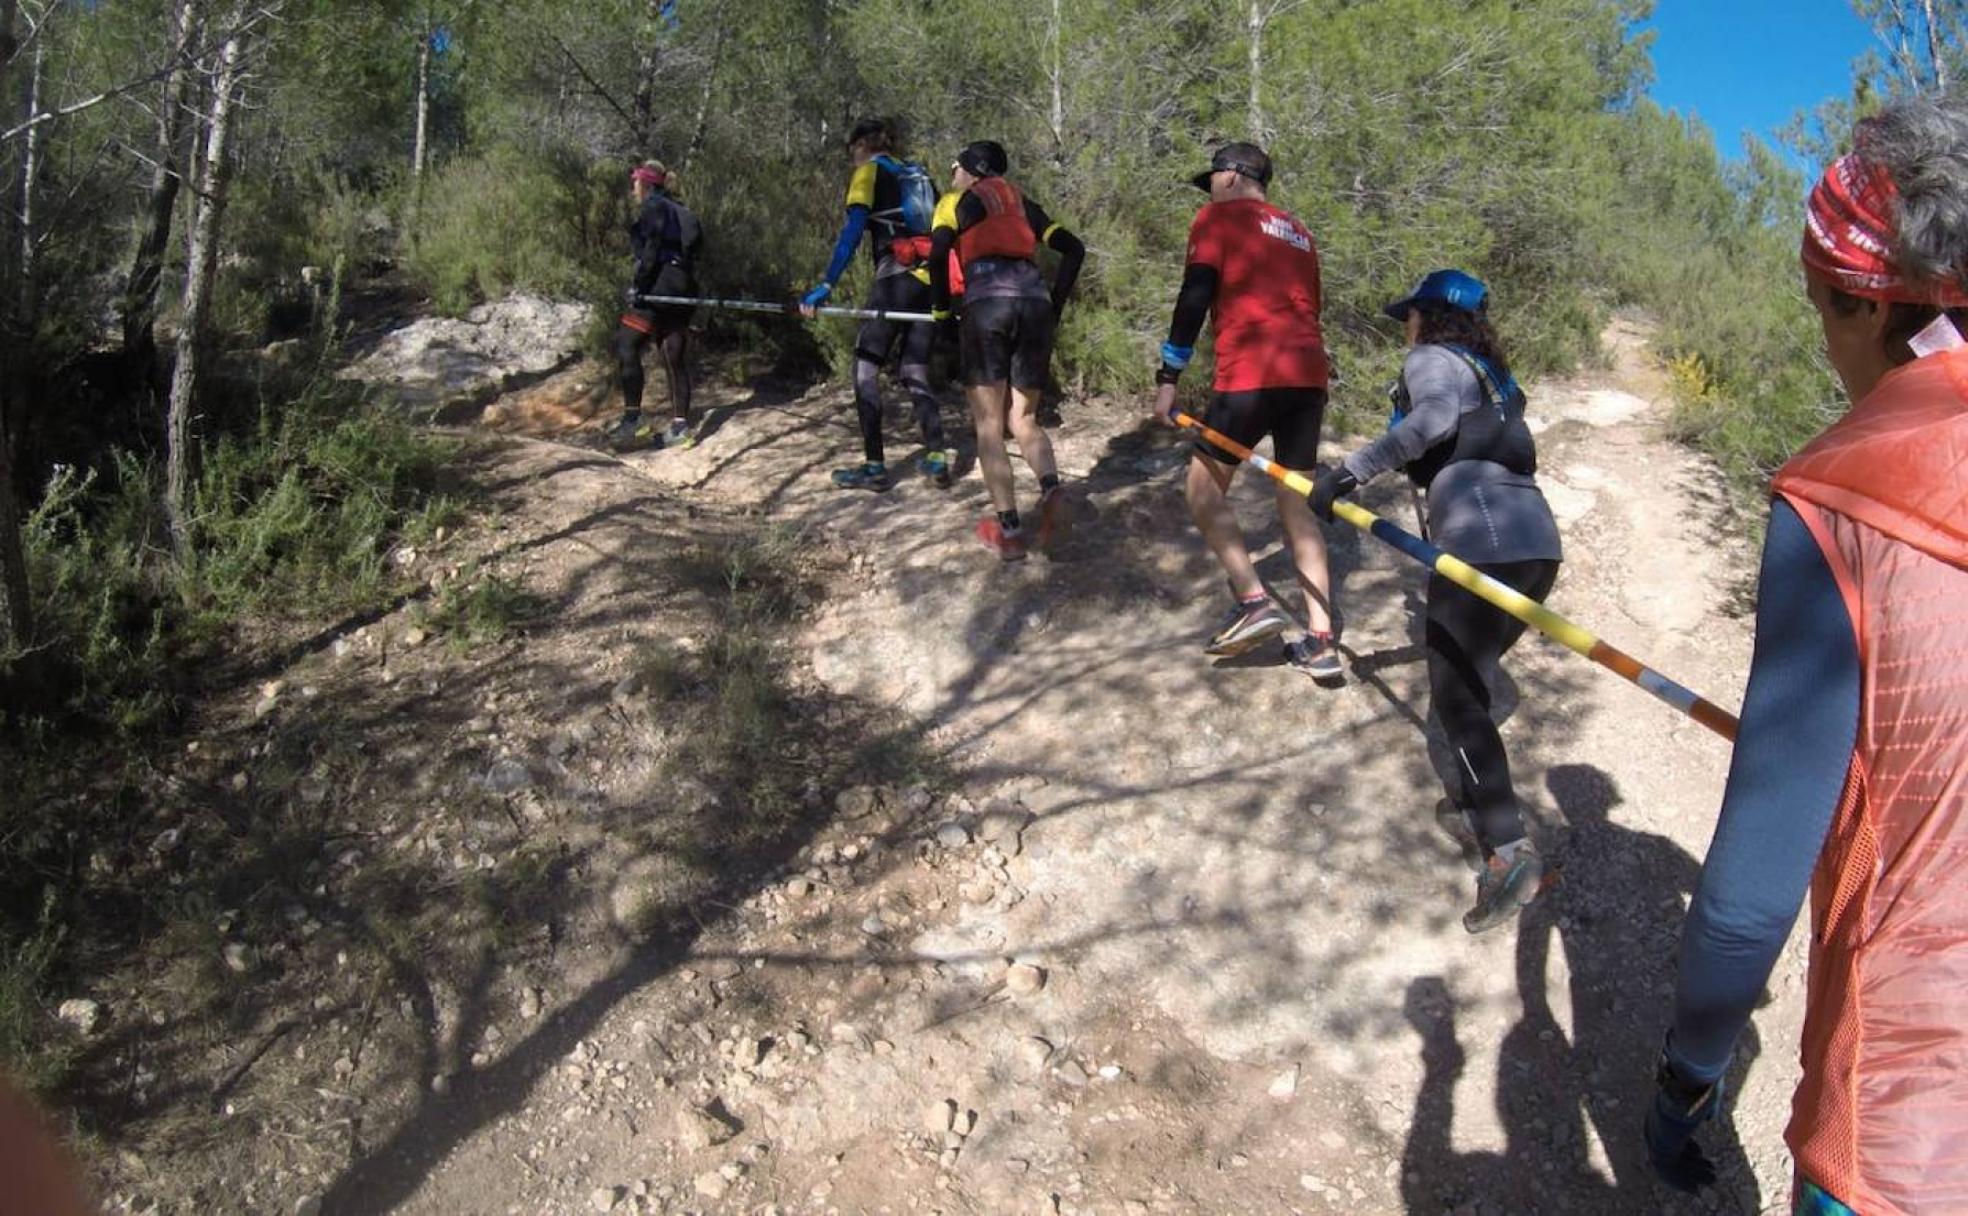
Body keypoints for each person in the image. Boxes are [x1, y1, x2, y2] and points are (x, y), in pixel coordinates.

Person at [1643, 95, 1968, 1214]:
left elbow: (1746, 896)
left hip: (1918, 1111)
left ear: (1864, 301)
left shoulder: (1845, 493)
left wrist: (1691, 1071)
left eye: (1820, 308)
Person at [1311, 269, 1562, 933]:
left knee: (1455, 700)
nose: (1405, 327)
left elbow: (1430, 421)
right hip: (1537, 549)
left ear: (1429, 315)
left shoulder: (1431, 360)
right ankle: (1487, 806)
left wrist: (1347, 472)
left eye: (1410, 315)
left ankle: (1509, 853)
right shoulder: (1496, 380)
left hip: (1483, 544)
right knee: (1466, 688)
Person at [1150, 142, 1341, 679]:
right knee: (1297, 506)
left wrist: (1169, 377)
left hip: (1251, 374)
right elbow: (1310, 305)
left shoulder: (1217, 217)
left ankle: (1253, 599)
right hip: (1307, 375)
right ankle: (1321, 641)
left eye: (1211, 176)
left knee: (1203, 489)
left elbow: (1195, 295)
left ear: (1232, 177)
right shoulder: (1298, 231)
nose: (1208, 187)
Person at [928, 139, 1085, 561]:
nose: (952, 173)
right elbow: (1075, 248)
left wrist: (942, 311)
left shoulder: (955, 201)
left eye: (956, 166)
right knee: (1025, 417)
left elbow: (940, 251)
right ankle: (1052, 491)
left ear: (972, 171)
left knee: (988, 426)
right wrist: (1056, 304)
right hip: (1034, 305)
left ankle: (1011, 532)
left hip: (986, 307)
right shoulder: (1023, 205)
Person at [799, 118, 953, 490]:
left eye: (851, 150)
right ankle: (936, 456)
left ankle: (875, 467)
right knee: (915, 369)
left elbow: (852, 231)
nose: (851, 158)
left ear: (861, 145)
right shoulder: (918, 174)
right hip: (931, 280)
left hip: (895, 278)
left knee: (865, 368)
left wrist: (825, 284)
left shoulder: (869, 172)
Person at [608, 161, 702, 452]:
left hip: (660, 286)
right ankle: (680, 428)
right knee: (673, 356)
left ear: (645, 184)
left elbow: (650, 250)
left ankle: (634, 418)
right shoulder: (681, 209)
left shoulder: (654, 206)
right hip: (684, 286)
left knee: (626, 344)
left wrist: (639, 284)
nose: (632, 188)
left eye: (634, 182)